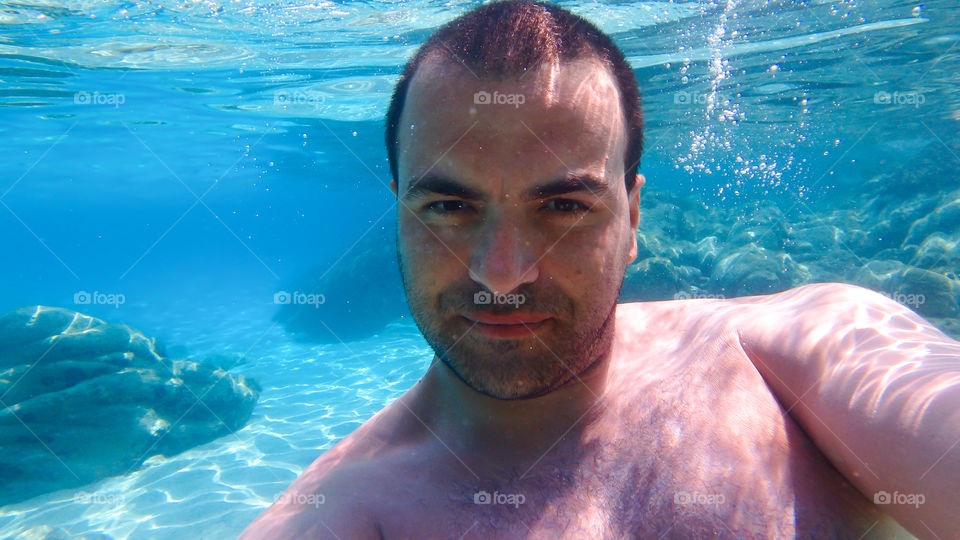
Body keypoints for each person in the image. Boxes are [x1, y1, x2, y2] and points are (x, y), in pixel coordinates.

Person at [241, 2, 959, 538]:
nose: (502, 276)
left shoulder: (800, 352)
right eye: (449, 207)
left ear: (633, 217)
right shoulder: (343, 508)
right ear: (398, 212)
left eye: (562, 206)